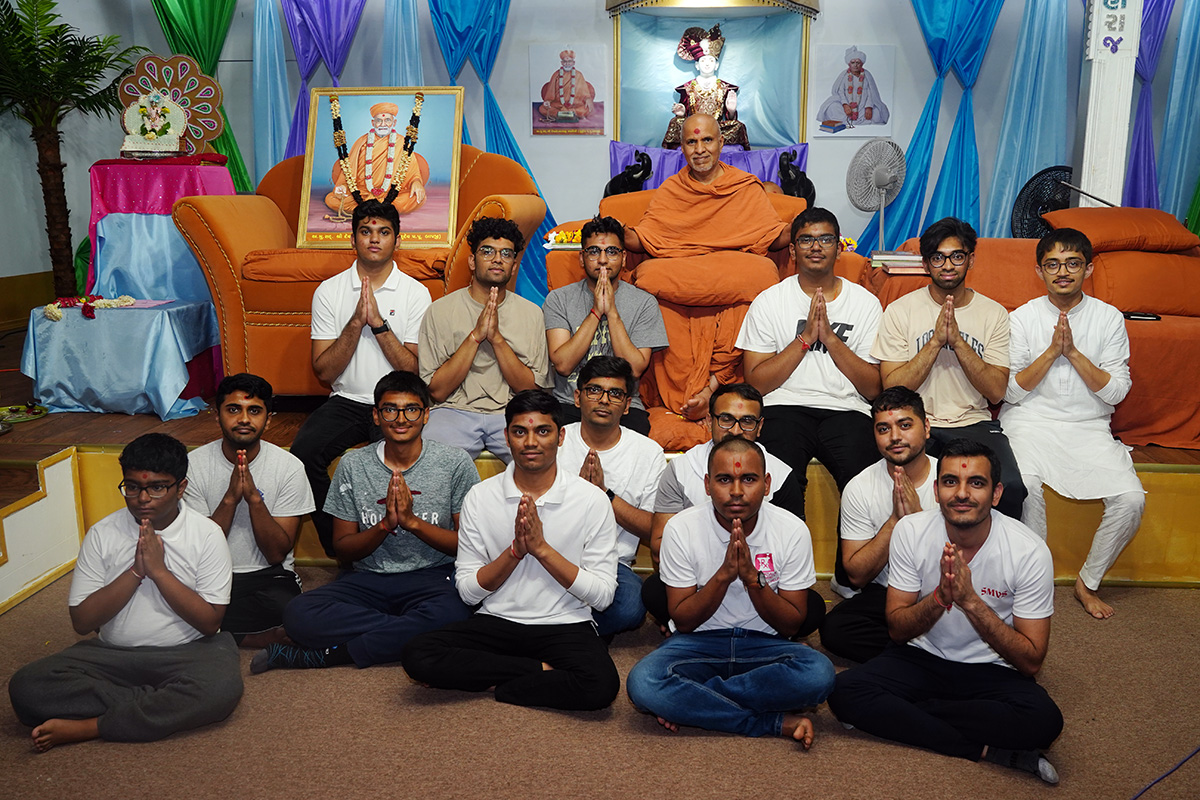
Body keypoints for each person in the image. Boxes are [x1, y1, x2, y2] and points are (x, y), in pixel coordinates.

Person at [827, 440, 1063, 785]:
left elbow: (1030, 661)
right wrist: (939, 598)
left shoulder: (1029, 551)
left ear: (996, 494)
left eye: (976, 483)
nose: (962, 493)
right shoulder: (911, 531)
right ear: (936, 491)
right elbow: (897, 630)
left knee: (1045, 722)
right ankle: (982, 750)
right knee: (842, 691)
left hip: (992, 669)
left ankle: (907, 712)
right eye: (951, 482)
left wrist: (971, 602)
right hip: (921, 658)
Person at [8, 434, 241, 749]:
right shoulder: (102, 534)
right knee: (27, 687)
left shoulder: (207, 535)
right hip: (113, 656)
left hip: (189, 652)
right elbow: (82, 622)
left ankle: (92, 726)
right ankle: (156, 704)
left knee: (220, 689)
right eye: (132, 487)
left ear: (181, 487)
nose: (142, 498)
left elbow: (210, 622)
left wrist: (159, 572)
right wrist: (135, 572)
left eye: (157, 487)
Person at [401, 390, 621, 711]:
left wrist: (542, 550)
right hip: (497, 621)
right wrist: (515, 553)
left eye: (542, 431)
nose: (531, 442)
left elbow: (603, 597)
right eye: (520, 432)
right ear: (506, 437)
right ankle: (539, 672)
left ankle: (499, 682)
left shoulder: (591, 499)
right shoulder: (480, 496)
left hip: (565, 622)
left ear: (560, 437)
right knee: (418, 655)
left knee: (602, 687)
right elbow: (468, 593)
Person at [251, 371, 478, 672]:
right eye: (390, 409)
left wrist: (412, 523)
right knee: (299, 614)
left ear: (426, 415)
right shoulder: (354, 464)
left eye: (411, 409)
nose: (401, 419)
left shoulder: (455, 462)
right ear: (376, 415)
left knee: (459, 611)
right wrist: (385, 526)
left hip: (433, 577)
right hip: (367, 579)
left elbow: (467, 545)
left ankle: (330, 655)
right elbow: (343, 548)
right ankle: (409, 630)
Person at [626, 438, 835, 743]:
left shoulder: (792, 530)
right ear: (708, 485)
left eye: (748, 479)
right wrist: (723, 576)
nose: (736, 491)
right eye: (725, 480)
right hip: (698, 644)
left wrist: (752, 579)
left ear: (766, 484)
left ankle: (694, 701)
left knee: (819, 674)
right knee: (643, 682)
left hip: (765, 646)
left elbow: (791, 624)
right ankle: (770, 722)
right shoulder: (681, 528)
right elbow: (684, 621)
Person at [1001, 228, 1144, 619]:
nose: (1062, 272)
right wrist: (1051, 353)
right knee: (1025, 486)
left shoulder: (1108, 318)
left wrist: (1074, 354)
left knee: (1131, 499)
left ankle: (1088, 582)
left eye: (1072, 263)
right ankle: (1033, 579)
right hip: (1030, 421)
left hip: (1089, 426)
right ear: (1039, 271)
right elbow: (1010, 393)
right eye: (1052, 264)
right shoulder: (1022, 317)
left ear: (1088, 269)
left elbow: (1116, 393)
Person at [291, 199, 433, 557]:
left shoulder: (416, 293)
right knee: (303, 455)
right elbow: (324, 373)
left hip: (397, 405)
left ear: (397, 240)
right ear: (353, 238)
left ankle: (404, 554)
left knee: (401, 464)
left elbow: (412, 371)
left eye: (384, 232)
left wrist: (379, 325)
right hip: (346, 401)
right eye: (366, 231)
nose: (374, 239)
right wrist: (356, 322)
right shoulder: (329, 291)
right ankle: (343, 549)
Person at [627, 114, 791, 422]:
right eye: (691, 142)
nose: (700, 149)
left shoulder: (744, 187)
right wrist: (618, 232)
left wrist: (798, 229)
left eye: (707, 140)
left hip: (732, 280)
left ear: (721, 143)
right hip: (684, 279)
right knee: (649, 276)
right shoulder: (672, 190)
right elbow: (646, 237)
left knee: (762, 275)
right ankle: (688, 396)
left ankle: (712, 388)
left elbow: (772, 235)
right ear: (682, 147)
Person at [872, 216, 1026, 520]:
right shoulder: (900, 311)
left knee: (1010, 488)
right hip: (916, 423)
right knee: (890, 489)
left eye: (956, 256)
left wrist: (957, 342)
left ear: (971, 260)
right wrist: (934, 343)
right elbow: (892, 388)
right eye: (937, 258)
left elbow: (996, 392)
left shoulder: (993, 314)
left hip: (973, 422)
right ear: (926, 264)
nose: (947, 265)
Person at [738, 207, 882, 520]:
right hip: (783, 408)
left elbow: (873, 388)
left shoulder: (865, 303)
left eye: (825, 239)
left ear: (839, 248)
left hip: (847, 410)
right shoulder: (769, 301)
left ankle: (854, 555)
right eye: (806, 240)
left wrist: (830, 338)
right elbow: (756, 384)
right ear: (792, 250)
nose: (816, 247)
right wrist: (804, 339)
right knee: (780, 486)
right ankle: (788, 553)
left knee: (865, 486)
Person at [644, 383, 812, 629]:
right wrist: (715, 565)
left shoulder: (782, 475)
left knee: (808, 607)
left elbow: (790, 549)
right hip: (697, 580)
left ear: (760, 426)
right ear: (708, 421)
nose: (735, 430)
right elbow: (659, 547)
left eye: (747, 421)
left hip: (761, 581)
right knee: (655, 591)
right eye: (726, 419)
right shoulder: (680, 469)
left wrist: (748, 570)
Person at [183, 373, 314, 648]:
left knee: (293, 611)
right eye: (233, 410)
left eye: (254, 411)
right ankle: (250, 637)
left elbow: (276, 553)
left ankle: (213, 630)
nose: (244, 419)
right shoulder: (192, 466)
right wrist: (230, 499)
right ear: (217, 416)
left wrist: (254, 499)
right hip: (209, 574)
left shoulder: (289, 467)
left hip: (267, 577)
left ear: (268, 419)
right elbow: (198, 550)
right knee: (169, 598)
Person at [819, 387, 937, 663]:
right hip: (886, 591)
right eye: (883, 429)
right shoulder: (860, 487)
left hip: (942, 590)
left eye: (905, 425)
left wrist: (918, 519)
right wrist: (895, 521)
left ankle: (914, 655)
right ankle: (931, 655)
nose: (894, 437)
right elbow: (857, 576)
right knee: (835, 629)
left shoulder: (950, 480)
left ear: (926, 427)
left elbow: (967, 564)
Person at [419, 217, 552, 462]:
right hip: (453, 411)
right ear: (472, 261)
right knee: (431, 464)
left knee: (542, 460)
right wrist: (475, 337)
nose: (497, 259)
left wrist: (497, 339)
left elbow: (529, 391)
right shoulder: (439, 311)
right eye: (487, 251)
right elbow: (437, 391)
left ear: (514, 266)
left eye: (506, 253)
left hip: (513, 412)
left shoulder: (532, 314)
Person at [556, 356, 667, 638]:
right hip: (554, 552)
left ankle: (560, 628)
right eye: (594, 390)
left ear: (627, 405)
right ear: (578, 397)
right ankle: (578, 631)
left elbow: (653, 528)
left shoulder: (647, 452)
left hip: (612, 563)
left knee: (631, 606)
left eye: (615, 393)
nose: (604, 400)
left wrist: (605, 495)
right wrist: (579, 495)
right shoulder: (555, 440)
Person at [543, 214, 668, 435]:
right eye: (594, 251)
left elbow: (634, 369)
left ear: (623, 257)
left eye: (611, 251)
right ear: (582, 258)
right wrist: (595, 312)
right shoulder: (559, 299)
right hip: (570, 403)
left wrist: (611, 312)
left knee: (637, 438)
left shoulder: (644, 303)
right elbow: (563, 365)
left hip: (623, 405)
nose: (602, 260)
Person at [325, 101, 430, 214]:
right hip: (362, 194)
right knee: (331, 199)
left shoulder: (403, 143)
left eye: (387, 120)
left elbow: (412, 172)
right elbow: (348, 171)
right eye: (379, 120)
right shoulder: (361, 142)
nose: (383, 124)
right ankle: (383, 211)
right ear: (373, 122)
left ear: (394, 122)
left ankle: (366, 211)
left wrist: (416, 182)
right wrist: (342, 187)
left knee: (416, 198)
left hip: (392, 194)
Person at [661, 24, 749, 150]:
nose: (707, 64)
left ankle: (710, 139)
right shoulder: (687, 88)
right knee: (675, 123)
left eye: (711, 60)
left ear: (716, 65)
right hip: (694, 128)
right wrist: (681, 114)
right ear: (697, 65)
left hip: (716, 128)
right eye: (703, 61)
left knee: (738, 126)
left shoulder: (724, 87)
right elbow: (683, 117)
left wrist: (731, 110)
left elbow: (730, 118)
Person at [815, 46, 890, 128]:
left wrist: (869, 107)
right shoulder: (844, 75)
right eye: (853, 62)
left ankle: (859, 119)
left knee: (877, 113)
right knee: (832, 108)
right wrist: (845, 105)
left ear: (862, 64)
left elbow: (871, 93)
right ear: (849, 64)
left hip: (863, 107)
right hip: (847, 107)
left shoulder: (867, 75)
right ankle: (849, 119)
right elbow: (840, 92)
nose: (855, 65)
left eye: (858, 63)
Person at [539, 49, 596, 122]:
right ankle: (568, 114)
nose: (567, 64)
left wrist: (588, 99)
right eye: (565, 61)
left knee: (585, 109)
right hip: (558, 105)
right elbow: (550, 91)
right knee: (542, 108)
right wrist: (548, 101)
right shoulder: (556, 74)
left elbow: (584, 92)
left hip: (575, 105)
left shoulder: (578, 75)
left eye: (569, 61)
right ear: (562, 63)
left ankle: (561, 114)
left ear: (573, 62)